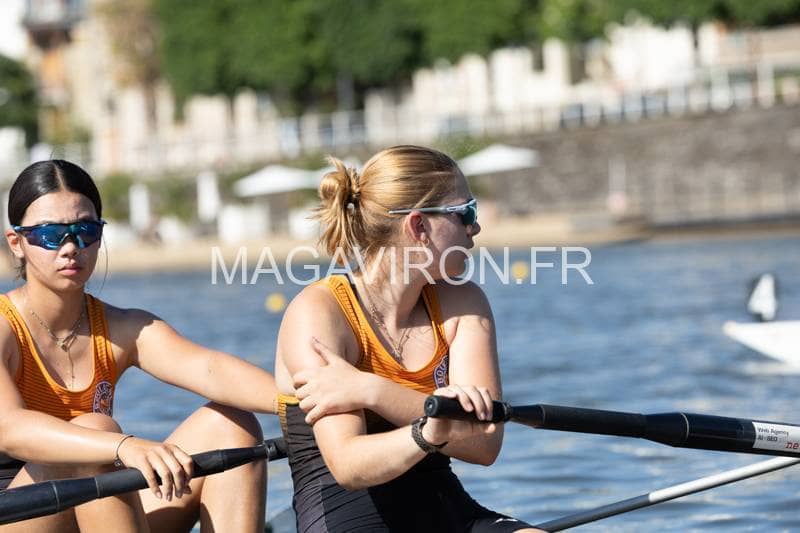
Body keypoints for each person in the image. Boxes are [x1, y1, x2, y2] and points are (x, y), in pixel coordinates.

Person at [0, 160, 277, 532]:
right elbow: (10, 429)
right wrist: (122, 446)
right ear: (16, 243)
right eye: (51, 234)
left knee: (233, 424)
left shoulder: (123, 327)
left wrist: (305, 403)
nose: (70, 247)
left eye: (85, 231)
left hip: (95, 506)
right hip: (15, 516)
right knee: (97, 430)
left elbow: (210, 369)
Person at [275, 145, 540, 532]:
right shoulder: (319, 313)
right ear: (418, 227)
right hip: (347, 517)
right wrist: (431, 427)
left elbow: (485, 445)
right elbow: (349, 466)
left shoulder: (463, 303)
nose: (475, 228)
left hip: (446, 509)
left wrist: (373, 391)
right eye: (466, 213)